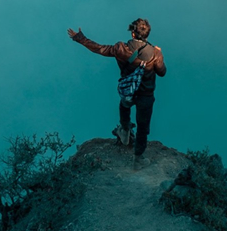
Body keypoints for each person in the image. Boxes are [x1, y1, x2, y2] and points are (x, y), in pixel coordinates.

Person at [67, 18, 167, 168]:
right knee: (143, 126)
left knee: (124, 106)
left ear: (133, 34)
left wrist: (80, 38)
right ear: (147, 35)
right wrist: (159, 55)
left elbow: (99, 48)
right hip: (146, 95)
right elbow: (162, 72)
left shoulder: (120, 48)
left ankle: (125, 130)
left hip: (129, 91)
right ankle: (138, 160)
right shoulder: (155, 54)